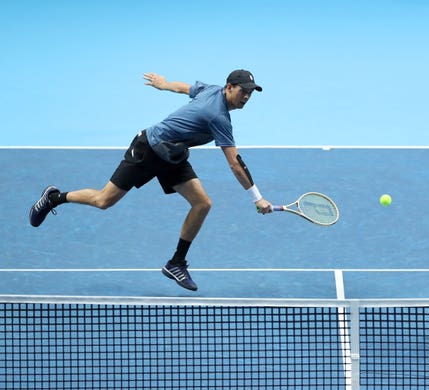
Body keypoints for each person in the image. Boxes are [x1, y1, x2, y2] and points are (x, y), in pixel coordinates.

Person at [29, 69, 273, 291]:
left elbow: (184, 88)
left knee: (202, 204)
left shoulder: (212, 90)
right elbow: (234, 163)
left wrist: (164, 84)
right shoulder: (218, 118)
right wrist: (258, 198)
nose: (247, 97)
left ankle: (176, 263)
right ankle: (53, 198)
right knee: (104, 200)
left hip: (172, 154)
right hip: (148, 149)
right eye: (243, 91)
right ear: (229, 87)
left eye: (250, 93)